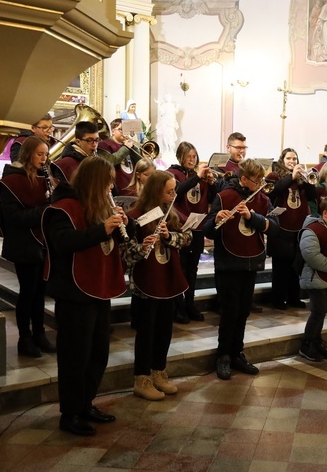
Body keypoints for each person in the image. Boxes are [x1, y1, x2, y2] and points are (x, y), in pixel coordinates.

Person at [42, 156, 136, 436]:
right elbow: (62, 243)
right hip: (74, 292)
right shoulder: (63, 208)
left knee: (98, 352)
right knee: (75, 356)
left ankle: (85, 403)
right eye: (107, 181)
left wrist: (124, 224)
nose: (111, 186)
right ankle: (69, 413)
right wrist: (102, 229)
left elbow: (117, 240)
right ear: (95, 182)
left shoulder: (99, 206)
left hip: (99, 287)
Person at [202, 159, 279, 380]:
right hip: (228, 263)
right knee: (229, 312)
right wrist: (216, 218)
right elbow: (207, 230)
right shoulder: (224, 197)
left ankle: (237, 353)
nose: (261, 184)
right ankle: (224, 355)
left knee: (243, 311)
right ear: (244, 179)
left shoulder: (263, 199)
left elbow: (274, 228)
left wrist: (251, 217)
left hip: (251, 261)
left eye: (262, 180)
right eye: (257, 181)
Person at [127, 171, 192, 401]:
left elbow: (187, 238)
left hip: (168, 277)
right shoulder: (135, 215)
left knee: (165, 328)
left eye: (174, 190)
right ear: (156, 191)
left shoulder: (171, 214)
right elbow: (127, 253)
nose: (174, 194)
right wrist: (143, 245)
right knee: (147, 330)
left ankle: (159, 373)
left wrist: (169, 237)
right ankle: (141, 378)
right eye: (169, 191)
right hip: (145, 282)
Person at [0, 136, 56, 358]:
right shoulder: (11, 181)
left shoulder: (42, 176)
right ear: (28, 154)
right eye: (40, 154)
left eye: (46, 154)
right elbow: (12, 218)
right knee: (28, 293)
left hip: (42, 243)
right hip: (23, 245)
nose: (44, 158)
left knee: (40, 292)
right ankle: (25, 338)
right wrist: (44, 211)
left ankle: (39, 334)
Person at [168, 141, 216, 323]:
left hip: (197, 227)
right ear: (180, 156)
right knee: (179, 269)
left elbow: (212, 198)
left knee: (192, 269)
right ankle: (178, 307)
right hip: (180, 228)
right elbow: (178, 191)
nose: (192, 159)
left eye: (194, 156)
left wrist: (210, 184)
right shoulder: (173, 173)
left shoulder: (201, 176)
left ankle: (190, 304)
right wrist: (197, 177)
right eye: (188, 156)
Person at [266, 148, 317, 310]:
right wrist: (291, 177)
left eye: (294, 158)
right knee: (281, 267)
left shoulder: (302, 178)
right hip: (281, 228)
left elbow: (312, 195)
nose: (292, 161)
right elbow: (274, 191)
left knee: (297, 265)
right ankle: (278, 299)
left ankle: (294, 297)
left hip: (299, 228)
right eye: (288, 158)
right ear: (282, 160)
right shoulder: (274, 176)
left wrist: (307, 180)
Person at [298, 195, 327, 361]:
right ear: (325, 214)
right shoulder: (313, 229)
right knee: (317, 312)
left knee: (323, 311)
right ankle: (307, 344)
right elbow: (311, 256)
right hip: (315, 277)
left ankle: (316, 342)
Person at [97, 118, 139, 192]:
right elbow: (111, 161)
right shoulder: (104, 144)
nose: (125, 132)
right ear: (113, 131)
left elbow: (140, 162)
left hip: (131, 186)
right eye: (121, 129)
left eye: (126, 130)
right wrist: (126, 148)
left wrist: (134, 148)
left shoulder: (129, 145)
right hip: (116, 188)